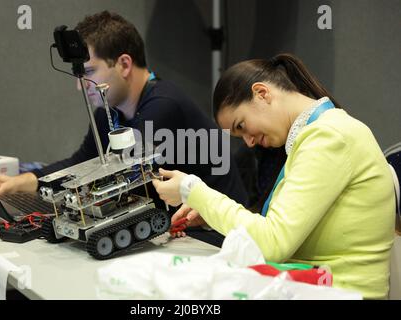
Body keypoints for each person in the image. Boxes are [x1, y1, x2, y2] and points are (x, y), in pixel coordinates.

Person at [152, 53, 395, 299]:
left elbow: (272, 243)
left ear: (262, 93)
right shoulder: (320, 134)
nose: (248, 142)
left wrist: (193, 190)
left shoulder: (329, 137)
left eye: (241, 126)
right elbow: (279, 230)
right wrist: (211, 215)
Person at [0, 11, 248, 214]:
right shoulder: (108, 111)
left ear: (123, 64)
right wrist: (22, 182)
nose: (80, 86)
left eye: (88, 73)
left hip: (213, 235)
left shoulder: (165, 104)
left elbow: (120, 173)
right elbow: (81, 161)